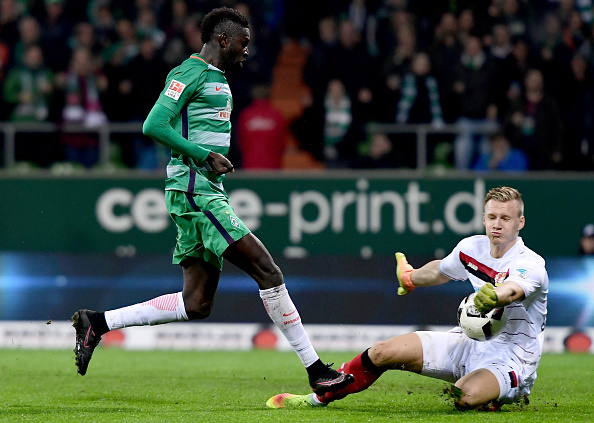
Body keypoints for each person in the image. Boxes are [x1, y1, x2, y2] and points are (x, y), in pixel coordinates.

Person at [71, 7, 353, 396]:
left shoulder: (215, 77)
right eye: (243, 42)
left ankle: (96, 322)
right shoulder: (189, 72)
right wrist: (203, 156)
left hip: (202, 190)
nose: (246, 50)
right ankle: (316, 369)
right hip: (194, 190)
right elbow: (153, 124)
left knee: (197, 302)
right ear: (223, 39)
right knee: (268, 271)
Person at [267, 186, 548, 411]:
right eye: (492, 217)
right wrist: (411, 278)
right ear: (484, 218)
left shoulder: (530, 264)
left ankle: (499, 393)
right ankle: (317, 399)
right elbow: (440, 270)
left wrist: (493, 297)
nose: (497, 225)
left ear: (520, 222)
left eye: (506, 218)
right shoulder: (471, 248)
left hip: (511, 358)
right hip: (468, 341)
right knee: (382, 352)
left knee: (464, 397)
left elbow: (512, 289)